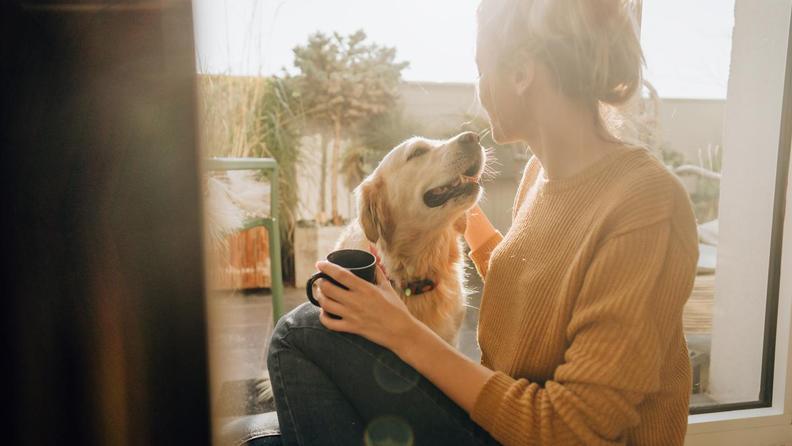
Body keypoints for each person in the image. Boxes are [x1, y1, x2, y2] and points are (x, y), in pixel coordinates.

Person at [264, 0, 699, 444]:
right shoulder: (540, 175)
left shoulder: (646, 205)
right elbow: (543, 291)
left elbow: (570, 428)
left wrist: (400, 329)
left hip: (529, 432)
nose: (479, 88)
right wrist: (461, 222)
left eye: (481, 67)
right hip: (502, 419)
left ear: (520, 73)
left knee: (294, 336)